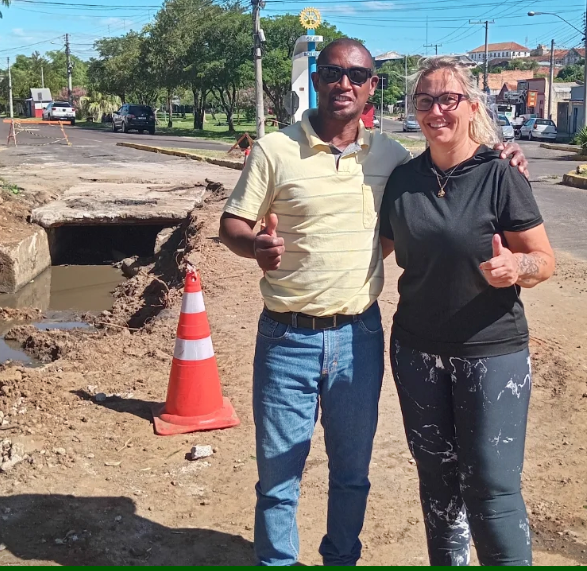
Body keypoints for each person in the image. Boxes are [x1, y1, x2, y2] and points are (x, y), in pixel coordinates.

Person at [218, 39, 529, 567]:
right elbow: (231, 224)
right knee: (278, 475)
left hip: (357, 336)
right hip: (285, 337)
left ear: (371, 88)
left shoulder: (390, 158)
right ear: (315, 79)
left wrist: (502, 154)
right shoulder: (274, 149)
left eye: (357, 75)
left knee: (352, 473)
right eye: (334, 72)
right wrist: (254, 246)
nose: (345, 83)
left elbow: (441, 174)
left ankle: (342, 559)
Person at [379, 55, 555, 566]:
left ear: (470, 106)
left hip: (490, 350)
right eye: (426, 100)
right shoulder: (404, 179)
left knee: (492, 487)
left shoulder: (500, 173)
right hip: (416, 352)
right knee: (437, 485)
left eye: (448, 99)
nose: (437, 110)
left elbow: (544, 261)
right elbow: (374, 248)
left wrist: (515, 268)